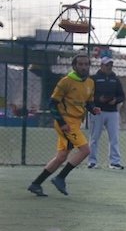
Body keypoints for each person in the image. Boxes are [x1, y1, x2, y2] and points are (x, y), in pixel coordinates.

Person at [27, 54, 101, 196]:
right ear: (74, 66)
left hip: (76, 123)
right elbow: (52, 104)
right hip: (66, 123)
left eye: (86, 64)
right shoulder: (66, 81)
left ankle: (36, 184)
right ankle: (60, 178)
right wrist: (61, 123)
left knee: (61, 157)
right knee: (85, 150)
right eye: (80, 64)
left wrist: (93, 109)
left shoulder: (90, 83)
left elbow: (88, 102)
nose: (84, 67)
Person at [87, 56, 126, 169]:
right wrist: (98, 99)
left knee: (114, 138)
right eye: (107, 65)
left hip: (112, 112)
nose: (109, 67)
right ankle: (92, 161)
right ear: (101, 66)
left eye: (111, 65)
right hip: (97, 112)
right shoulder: (93, 79)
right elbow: (88, 96)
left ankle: (115, 162)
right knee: (94, 138)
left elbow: (122, 96)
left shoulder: (115, 79)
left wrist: (115, 100)